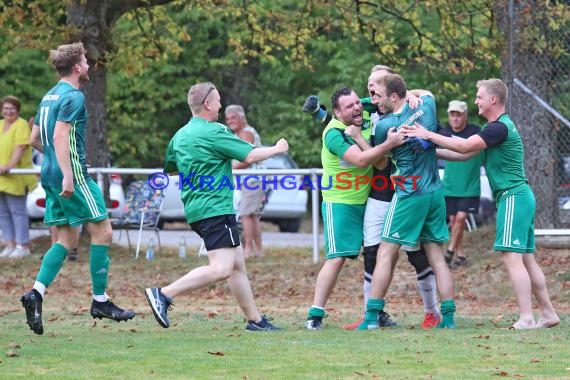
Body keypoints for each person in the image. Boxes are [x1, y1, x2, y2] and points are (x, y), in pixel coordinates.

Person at [402, 78, 560, 329]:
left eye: (479, 96)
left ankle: (527, 317)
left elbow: (464, 145)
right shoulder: (493, 130)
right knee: (527, 258)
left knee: (512, 258)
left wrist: (426, 133)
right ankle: (549, 314)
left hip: (513, 197)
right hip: (519, 197)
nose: (475, 100)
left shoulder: (499, 128)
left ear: (493, 100)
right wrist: (427, 150)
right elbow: (461, 155)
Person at [302, 65, 442, 330]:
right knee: (372, 252)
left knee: (416, 252)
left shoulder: (409, 107)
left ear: (391, 89)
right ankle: (372, 313)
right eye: (369, 81)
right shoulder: (366, 108)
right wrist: (320, 113)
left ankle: (432, 311)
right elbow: (340, 120)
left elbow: (426, 105)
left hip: (408, 188)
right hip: (376, 191)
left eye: (377, 82)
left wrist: (412, 93)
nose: (370, 88)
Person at [144, 82, 288, 331]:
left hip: (196, 208)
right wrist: (277, 148)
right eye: (218, 100)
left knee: (236, 265)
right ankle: (163, 294)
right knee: (222, 268)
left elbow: (170, 165)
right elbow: (250, 155)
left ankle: (256, 321)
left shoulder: (180, 135)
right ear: (208, 104)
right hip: (215, 208)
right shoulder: (214, 131)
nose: (221, 104)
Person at [21, 42, 136, 336]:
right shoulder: (74, 96)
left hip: (49, 174)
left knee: (67, 239)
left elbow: (35, 138)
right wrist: (69, 177)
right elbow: (60, 136)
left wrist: (54, 167)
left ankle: (36, 293)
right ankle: (100, 301)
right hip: (71, 176)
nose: (87, 65)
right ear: (76, 67)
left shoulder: (49, 95)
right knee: (104, 231)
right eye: (85, 61)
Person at [357, 73, 456, 330]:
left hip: (409, 194)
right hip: (435, 192)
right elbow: (427, 93)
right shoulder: (427, 105)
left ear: (393, 96)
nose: (374, 100)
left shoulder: (384, 126)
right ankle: (448, 318)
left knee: (385, 252)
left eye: (378, 95)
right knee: (436, 256)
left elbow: (378, 160)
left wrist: (358, 137)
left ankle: (370, 317)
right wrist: (412, 93)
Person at [304, 86, 406, 330]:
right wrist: (390, 143)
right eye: (349, 107)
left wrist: (412, 96)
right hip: (340, 203)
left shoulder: (366, 113)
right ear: (338, 112)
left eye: (357, 103)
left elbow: (384, 98)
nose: (357, 107)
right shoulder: (334, 134)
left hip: (368, 199)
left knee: (379, 255)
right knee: (337, 258)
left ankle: (375, 311)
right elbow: (361, 159)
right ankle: (314, 315)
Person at [442, 100, 481, 269]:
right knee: (454, 221)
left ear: (465, 115)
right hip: (449, 185)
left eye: (459, 115)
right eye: (452, 115)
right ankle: (461, 255)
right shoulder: (444, 133)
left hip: (469, 185)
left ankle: (449, 253)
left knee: (461, 218)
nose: (455, 119)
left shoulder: (476, 132)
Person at [225, 104, 265, 258]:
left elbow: (247, 159)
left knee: (245, 214)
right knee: (252, 215)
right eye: (228, 119)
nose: (230, 121)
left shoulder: (246, 132)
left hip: (253, 178)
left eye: (234, 117)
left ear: (242, 118)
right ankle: (258, 250)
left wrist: (231, 168)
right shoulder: (241, 132)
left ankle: (248, 249)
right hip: (252, 178)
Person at [0, 96, 37, 259]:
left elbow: (20, 147)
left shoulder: (21, 125)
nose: (8, 111)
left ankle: (23, 245)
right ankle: (10, 244)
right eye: (6, 108)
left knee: (17, 211)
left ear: (18, 110)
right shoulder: (0, 124)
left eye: (12, 108)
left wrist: (9, 166)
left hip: (17, 176)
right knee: (2, 213)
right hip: (1, 178)